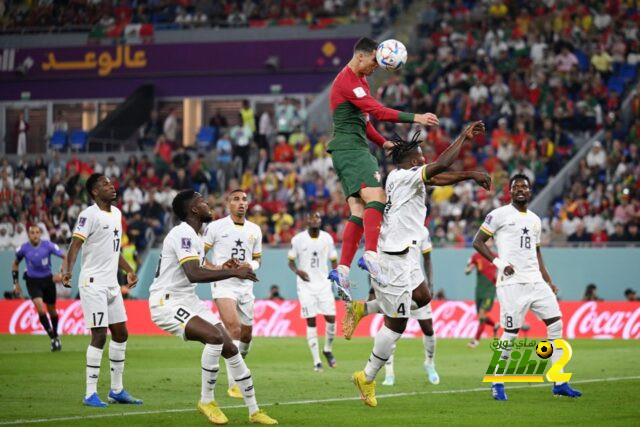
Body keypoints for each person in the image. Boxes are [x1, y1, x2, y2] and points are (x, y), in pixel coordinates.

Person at [349, 121, 487, 407]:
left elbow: (437, 177)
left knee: (422, 296)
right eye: (422, 155)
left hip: (406, 254)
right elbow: (441, 166)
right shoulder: (403, 176)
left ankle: (365, 308)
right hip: (394, 258)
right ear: (412, 160)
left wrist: (470, 175)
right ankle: (367, 376)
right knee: (397, 323)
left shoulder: (401, 177)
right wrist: (464, 135)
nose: (425, 158)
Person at [149, 190, 277, 425]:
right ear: (194, 210)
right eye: (203, 202)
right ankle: (206, 400)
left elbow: (200, 267)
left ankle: (254, 410)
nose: (208, 204)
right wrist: (233, 271)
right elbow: (194, 273)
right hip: (167, 302)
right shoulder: (183, 234)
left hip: (188, 300)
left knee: (230, 346)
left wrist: (220, 267)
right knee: (215, 337)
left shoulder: (196, 236)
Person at [327, 37, 439, 295]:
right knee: (378, 196)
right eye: (375, 63)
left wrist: (383, 142)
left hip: (349, 149)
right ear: (361, 56)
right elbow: (377, 111)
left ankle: (342, 270)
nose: (375, 68)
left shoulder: (360, 82)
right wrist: (416, 117)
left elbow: (364, 121)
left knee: (359, 209)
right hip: (351, 149)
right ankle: (371, 255)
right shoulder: (347, 82)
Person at [473, 174, 582, 400]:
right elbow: (477, 241)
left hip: (536, 282)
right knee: (511, 334)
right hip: (512, 284)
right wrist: (499, 263)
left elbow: (537, 252)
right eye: (516, 187)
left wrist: (548, 280)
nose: (521, 190)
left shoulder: (535, 219)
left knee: (556, 323)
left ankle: (559, 381)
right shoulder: (498, 215)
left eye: (524, 186)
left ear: (530, 191)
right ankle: (497, 381)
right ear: (510, 192)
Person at [62, 173, 143, 407]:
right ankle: (90, 393)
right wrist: (68, 270)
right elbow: (75, 245)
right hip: (93, 283)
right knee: (99, 335)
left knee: (121, 334)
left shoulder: (116, 214)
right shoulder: (88, 215)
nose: (111, 186)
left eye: (111, 182)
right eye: (105, 184)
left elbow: (114, 250)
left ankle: (116, 390)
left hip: (112, 285)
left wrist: (128, 269)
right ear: (95, 192)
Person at [204, 189, 262, 399]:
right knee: (234, 329)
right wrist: (218, 269)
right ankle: (234, 383)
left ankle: (238, 361)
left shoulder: (255, 230)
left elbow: (258, 259)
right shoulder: (216, 227)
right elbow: (199, 256)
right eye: (236, 199)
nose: (241, 203)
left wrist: (251, 265)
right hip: (223, 283)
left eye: (244, 199)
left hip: (246, 287)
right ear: (228, 203)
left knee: (246, 335)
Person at [288, 211, 339, 372]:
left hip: (324, 285)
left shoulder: (327, 238)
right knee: (311, 321)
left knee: (331, 319)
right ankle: (317, 361)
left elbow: (333, 260)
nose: (314, 219)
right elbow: (290, 261)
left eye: (317, 217)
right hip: (306, 286)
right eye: (311, 217)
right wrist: (298, 271)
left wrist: (337, 278)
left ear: (320, 220)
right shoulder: (298, 239)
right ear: (306, 221)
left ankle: (328, 349)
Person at [12, 225, 65, 351]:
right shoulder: (23, 249)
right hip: (32, 281)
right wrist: (16, 283)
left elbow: (65, 256)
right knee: (40, 308)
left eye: (37, 232)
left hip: (48, 280)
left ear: (40, 234)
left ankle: (56, 335)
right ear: (29, 235)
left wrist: (62, 274)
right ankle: (52, 337)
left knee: (52, 310)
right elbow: (15, 264)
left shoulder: (48, 245)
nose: (35, 235)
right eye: (32, 233)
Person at [465, 240, 499, 349]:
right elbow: (467, 268)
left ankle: (476, 341)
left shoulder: (495, 257)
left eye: (490, 240)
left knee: (482, 313)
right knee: (481, 316)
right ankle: (495, 325)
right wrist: (469, 270)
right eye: (486, 240)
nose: (488, 242)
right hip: (479, 290)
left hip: (490, 290)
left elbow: (503, 269)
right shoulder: (475, 256)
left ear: (493, 242)